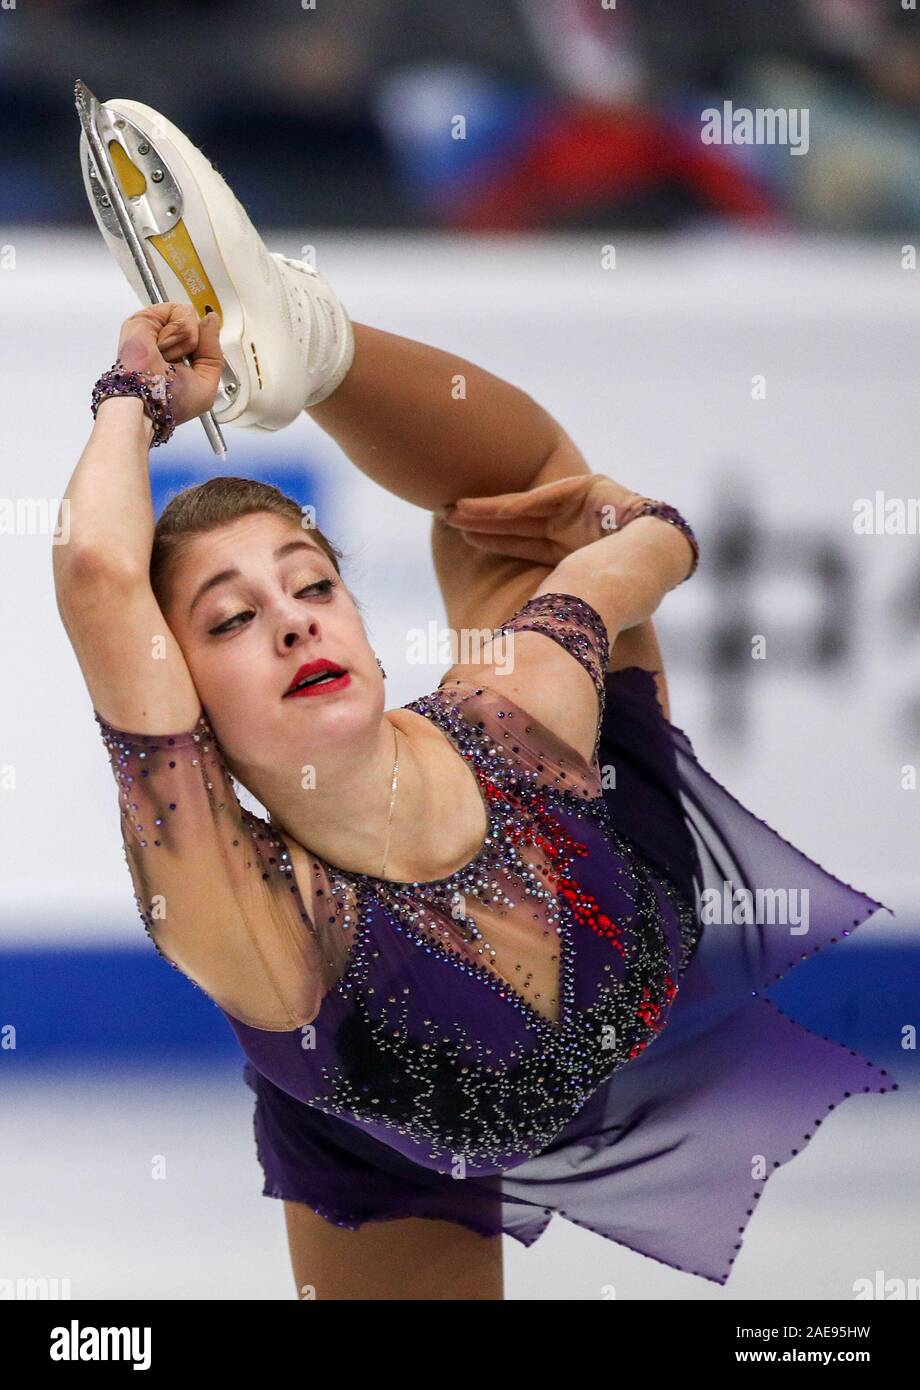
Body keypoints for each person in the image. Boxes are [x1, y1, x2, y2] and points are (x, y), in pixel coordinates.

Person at [54, 99, 897, 1301]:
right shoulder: (240, 905)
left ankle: (309, 344)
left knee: (522, 499)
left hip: (614, 872)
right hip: (381, 1112)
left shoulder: (514, 711)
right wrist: (129, 396)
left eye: (312, 587)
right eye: (234, 621)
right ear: (185, 707)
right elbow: (96, 572)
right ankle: (305, 348)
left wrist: (644, 536)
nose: (293, 619)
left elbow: (630, 549)